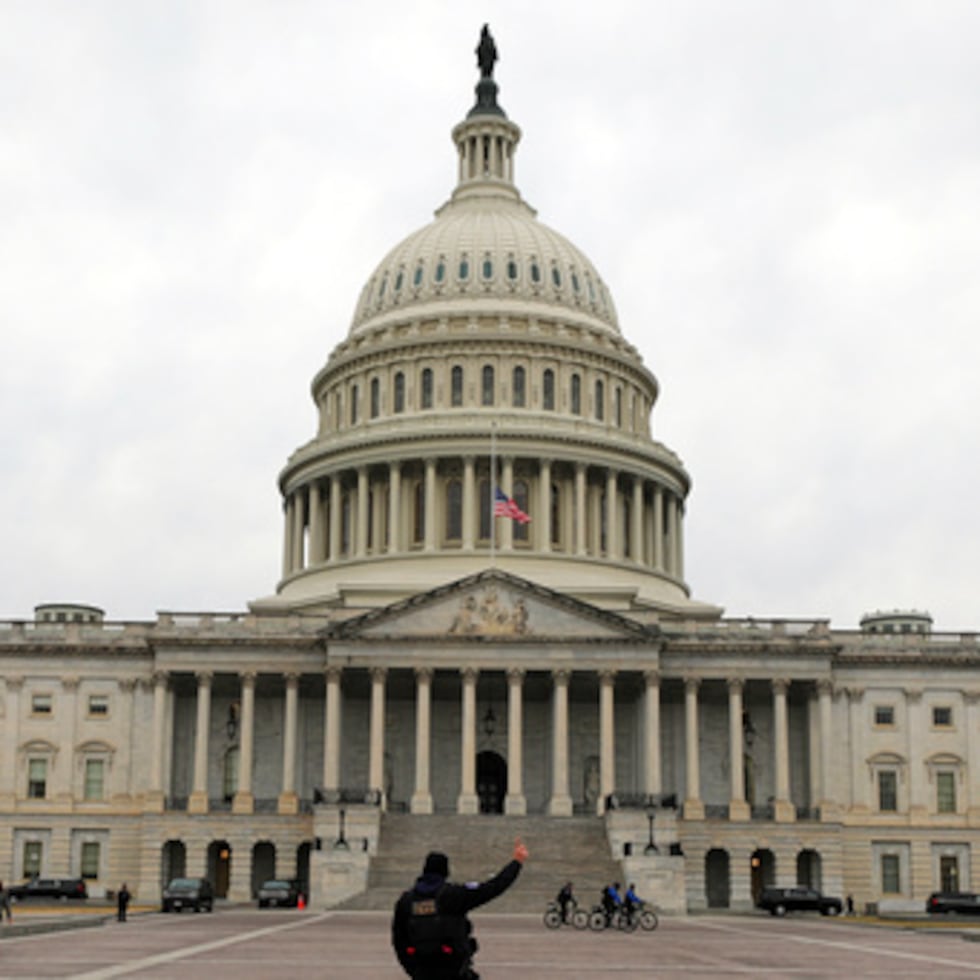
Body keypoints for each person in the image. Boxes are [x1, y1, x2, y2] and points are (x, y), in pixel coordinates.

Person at [392, 836, 528, 979]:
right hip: (453, 968)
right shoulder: (453, 895)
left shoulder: (406, 901)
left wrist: (413, 970)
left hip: (422, 970)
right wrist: (516, 862)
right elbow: (493, 887)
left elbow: (398, 940)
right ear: (445, 872)